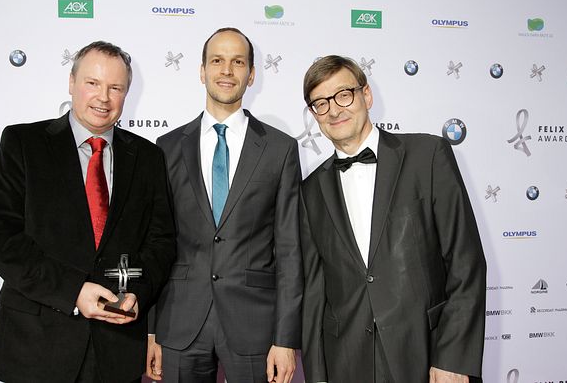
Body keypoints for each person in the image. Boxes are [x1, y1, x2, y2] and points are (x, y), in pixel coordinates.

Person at [0, 41, 176, 383]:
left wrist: (136, 294)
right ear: (71, 83)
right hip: (34, 349)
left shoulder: (148, 156)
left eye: (116, 88)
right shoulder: (24, 144)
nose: (104, 97)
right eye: (93, 83)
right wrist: (73, 291)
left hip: (116, 351)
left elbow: (160, 243)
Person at [299, 55, 486, 383]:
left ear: (366, 95)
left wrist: (454, 359)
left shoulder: (428, 156)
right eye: (320, 103)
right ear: (314, 115)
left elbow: (465, 264)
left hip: (426, 357)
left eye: (344, 94)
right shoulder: (310, 190)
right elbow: (315, 294)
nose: (334, 109)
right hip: (346, 362)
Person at [146, 27, 303, 383]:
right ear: (202, 71)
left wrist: (285, 338)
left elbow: (291, 250)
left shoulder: (280, 149)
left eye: (238, 62)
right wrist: (152, 331)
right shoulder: (167, 147)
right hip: (179, 323)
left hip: (256, 327)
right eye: (217, 61)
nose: (227, 71)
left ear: (252, 76)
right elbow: (156, 244)